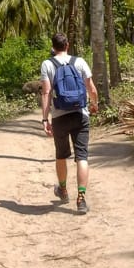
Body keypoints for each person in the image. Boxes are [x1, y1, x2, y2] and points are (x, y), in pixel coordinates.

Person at [40, 32, 99, 214]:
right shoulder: (79, 62)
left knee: (61, 155)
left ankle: (63, 189)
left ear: (53, 47)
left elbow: (46, 92)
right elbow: (90, 87)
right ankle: (81, 198)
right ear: (67, 45)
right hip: (80, 114)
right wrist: (95, 104)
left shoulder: (47, 64)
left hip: (59, 116)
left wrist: (45, 119)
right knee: (82, 156)